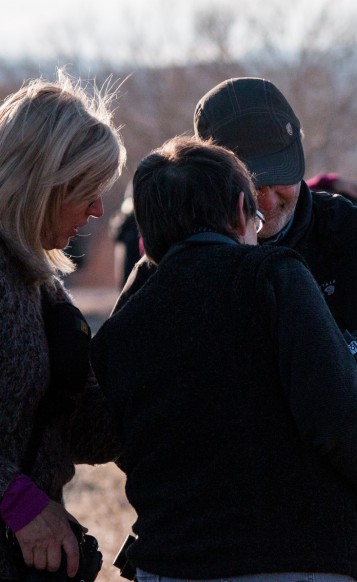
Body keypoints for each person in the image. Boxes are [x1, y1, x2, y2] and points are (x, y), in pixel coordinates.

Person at [91, 135, 357, 581]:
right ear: (242, 210)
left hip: (172, 564)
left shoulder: (126, 324)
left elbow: (105, 437)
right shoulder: (273, 276)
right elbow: (337, 412)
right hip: (300, 559)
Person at [117, 77, 357, 459]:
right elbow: (121, 407)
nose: (268, 200)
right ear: (211, 174)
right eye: (251, 184)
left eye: (280, 175)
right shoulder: (167, 270)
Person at [0, 72, 125, 580]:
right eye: (86, 191)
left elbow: (83, 434)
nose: (98, 209)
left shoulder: (40, 283)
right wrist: (18, 502)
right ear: (40, 184)